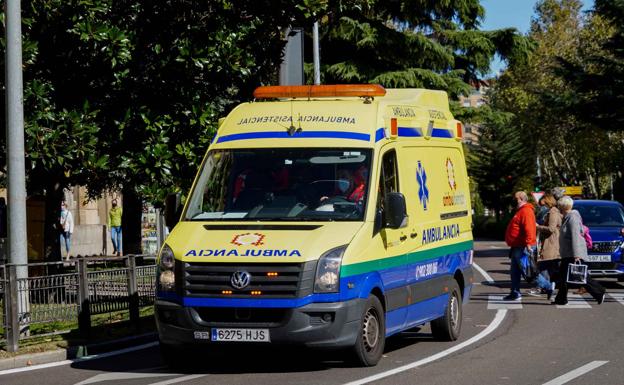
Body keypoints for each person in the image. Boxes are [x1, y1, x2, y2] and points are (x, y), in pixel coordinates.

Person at [553, 196, 606, 305]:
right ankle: (561, 299)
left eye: (559, 206)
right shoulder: (568, 217)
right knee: (564, 277)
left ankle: (599, 291)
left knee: (581, 277)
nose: (558, 208)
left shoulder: (572, 217)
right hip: (568, 253)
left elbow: (575, 236)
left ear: (562, 206)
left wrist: (576, 255)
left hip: (573, 253)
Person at [503, 191, 537, 301]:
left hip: (522, 246)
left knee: (527, 271)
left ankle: (547, 286)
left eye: (515, 198)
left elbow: (529, 228)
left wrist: (528, 243)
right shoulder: (521, 210)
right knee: (515, 271)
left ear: (521, 199)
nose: (514, 200)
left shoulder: (526, 211)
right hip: (517, 246)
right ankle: (515, 292)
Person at [535, 193, 562, 297]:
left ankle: (546, 287)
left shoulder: (553, 212)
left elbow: (551, 229)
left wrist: (538, 226)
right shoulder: (553, 212)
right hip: (551, 243)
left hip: (551, 243)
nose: (543, 207)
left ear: (548, 202)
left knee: (542, 267)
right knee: (547, 267)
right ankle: (547, 288)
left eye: (544, 205)